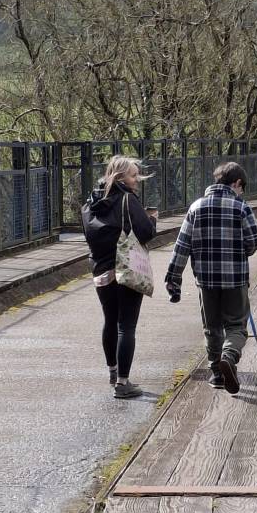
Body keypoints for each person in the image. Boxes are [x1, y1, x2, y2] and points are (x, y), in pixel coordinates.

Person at [164, 161, 257, 395]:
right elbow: (253, 242)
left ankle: (217, 374)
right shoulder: (241, 207)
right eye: (242, 188)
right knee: (236, 326)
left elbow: (182, 246)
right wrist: (239, 251)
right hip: (235, 280)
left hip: (206, 281)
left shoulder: (196, 207)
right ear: (237, 183)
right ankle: (229, 355)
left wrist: (173, 278)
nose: (241, 192)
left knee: (212, 328)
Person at [82, 155, 157, 399]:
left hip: (101, 270)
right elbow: (146, 233)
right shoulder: (128, 200)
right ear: (120, 177)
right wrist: (152, 219)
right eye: (133, 176)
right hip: (126, 269)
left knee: (110, 321)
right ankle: (123, 384)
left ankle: (113, 372)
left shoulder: (90, 203)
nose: (137, 180)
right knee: (126, 326)